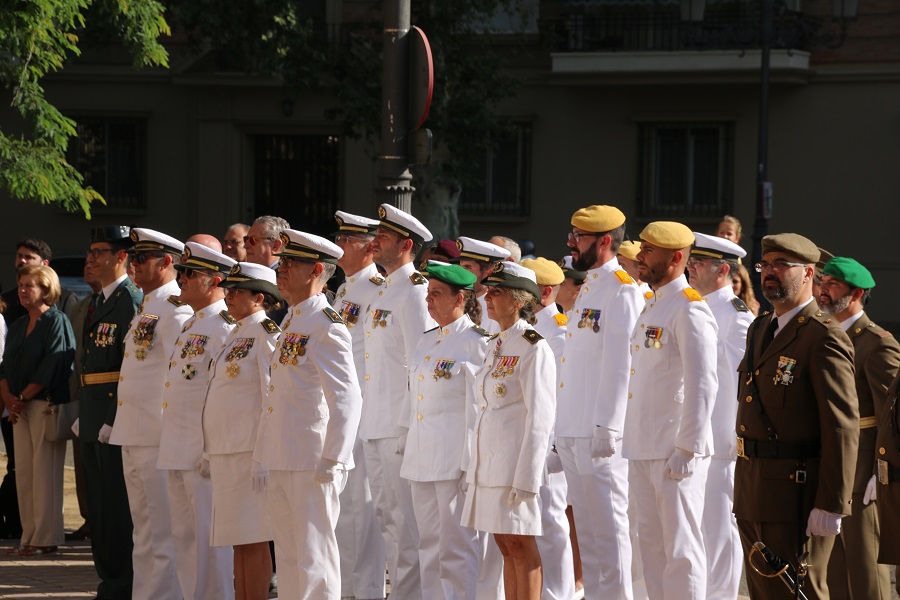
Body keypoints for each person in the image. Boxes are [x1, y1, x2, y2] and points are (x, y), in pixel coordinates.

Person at [734, 233, 858, 599]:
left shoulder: (822, 336)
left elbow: (841, 426)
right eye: (765, 264)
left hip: (796, 491)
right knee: (762, 591)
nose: (769, 273)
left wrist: (832, 503)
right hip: (753, 486)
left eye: (780, 265)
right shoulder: (760, 328)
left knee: (798, 591)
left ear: (808, 274)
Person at [252, 230, 363, 599]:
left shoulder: (325, 324)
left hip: (312, 458)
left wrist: (334, 458)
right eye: (281, 263)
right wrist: (263, 454)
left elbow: (346, 397)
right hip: (285, 454)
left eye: (289, 264)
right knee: (288, 556)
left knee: (314, 556)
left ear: (316, 270)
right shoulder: (293, 319)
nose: (280, 270)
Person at [623, 222, 718, 600]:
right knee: (651, 548)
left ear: (676, 258)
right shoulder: (655, 303)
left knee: (681, 551)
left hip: (674, 450)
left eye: (649, 251)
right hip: (644, 446)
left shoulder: (690, 309)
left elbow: (703, 383)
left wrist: (688, 447)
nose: (640, 257)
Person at [556, 205, 643, 600]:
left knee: (609, 532)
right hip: (575, 429)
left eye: (579, 237)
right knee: (587, 535)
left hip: (600, 433)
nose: (571, 243)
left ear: (605, 241)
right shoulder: (588, 285)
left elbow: (622, 362)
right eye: (572, 235)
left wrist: (609, 424)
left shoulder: (623, 289)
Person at [461, 261, 555, 600]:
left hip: (515, 467)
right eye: (489, 290)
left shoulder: (532, 346)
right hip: (491, 464)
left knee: (520, 543)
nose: (487, 297)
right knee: (503, 543)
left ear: (518, 300)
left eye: (497, 292)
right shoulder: (495, 344)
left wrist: (528, 478)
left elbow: (540, 417)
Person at [108, 228, 191, 600]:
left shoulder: (176, 309)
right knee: (143, 531)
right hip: (135, 433)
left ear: (167, 262)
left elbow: (181, 378)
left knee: (163, 533)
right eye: (133, 257)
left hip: (158, 436)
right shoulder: (147, 305)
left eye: (142, 258)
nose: (133, 264)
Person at [812, 257, 899, 599]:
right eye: (823, 283)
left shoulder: (877, 342)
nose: (823, 290)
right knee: (832, 564)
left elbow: (890, 416)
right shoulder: (824, 335)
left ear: (857, 293)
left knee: (865, 565)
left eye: (833, 285)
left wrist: (879, 473)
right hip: (829, 459)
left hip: (863, 463)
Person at [401, 263, 488, 599]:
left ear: (460, 298)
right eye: (428, 293)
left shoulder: (477, 343)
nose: (428, 300)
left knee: (457, 548)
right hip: (422, 459)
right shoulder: (426, 342)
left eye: (436, 293)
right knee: (428, 546)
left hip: (455, 463)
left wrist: (472, 463)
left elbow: (481, 410)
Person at [360, 204, 435, 599]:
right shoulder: (385, 288)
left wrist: (409, 428)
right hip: (376, 424)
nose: (375, 242)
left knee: (407, 529)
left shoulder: (416, 292)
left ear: (406, 244)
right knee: (388, 522)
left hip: (399, 430)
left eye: (384, 238)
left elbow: (420, 366)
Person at [157, 242, 237, 600]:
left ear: (215, 280)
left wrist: (212, 448)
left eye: (192, 273)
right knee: (185, 542)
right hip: (178, 446)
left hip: (203, 453)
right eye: (183, 270)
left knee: (210, 544)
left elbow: (226, 397)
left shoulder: (224, 327)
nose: (182, 278)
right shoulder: (192, 323)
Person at [203, 262, 281, 600]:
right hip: (226, 451)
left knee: (254, 537)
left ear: (259, 298)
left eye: (238, 291)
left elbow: (270, 399)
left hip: (249, 453)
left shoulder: (266, 335)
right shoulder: (236, 333)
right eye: (228, 289)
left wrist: (263, 458)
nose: (229, 296)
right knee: (237, 539)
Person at [686, 233, 754, 600]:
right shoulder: (693, 305)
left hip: (720, 439)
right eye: (691, 261)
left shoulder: (736, 316)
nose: (690, 267)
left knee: (718, 530)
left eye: (699, 263)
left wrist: (730, 440)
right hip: (691, 435)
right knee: (693, 528)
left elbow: (741, 382)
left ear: (723, 270)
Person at [78, 225, 142, 600]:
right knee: (98, 508)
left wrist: (112, 417)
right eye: (90, 251)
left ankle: (122, 582)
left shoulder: (130, 299)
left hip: (112, 416)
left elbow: (131, 367)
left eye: (100, 251)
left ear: (121, 257)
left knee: (117, 507)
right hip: (92, 411)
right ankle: (109, 579)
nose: (91, 258)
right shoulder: (99, 300)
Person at [0, 239, 77, 539]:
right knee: (25, 475)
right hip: (18, 408)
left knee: (44, 474)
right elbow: (5, 364)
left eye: (30, 285)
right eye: (21, 285)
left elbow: (53, 365)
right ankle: (28, 535)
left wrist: (22, 397)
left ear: (46, 289)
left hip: (43, 405)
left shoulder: (56, 321)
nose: (22, 290)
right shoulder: (18, 324)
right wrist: (9, 397)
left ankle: (45, 537)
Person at [332, 210, 387, 600]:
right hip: (341, 411)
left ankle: (365, 591)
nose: (337, 246)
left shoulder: (377, 289)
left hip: (366, 411)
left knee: (362, 510)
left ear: (369, 248)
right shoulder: (344, 289)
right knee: (342, 508)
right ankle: (346, 588)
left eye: (345, 241)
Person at [518, 257, 575, 600]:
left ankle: (560, 593)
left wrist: (553, 450)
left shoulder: (560, 331)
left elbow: (561, 397)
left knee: (552, 522)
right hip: (524, 438)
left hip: (549, 444)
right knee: (529, 523)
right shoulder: (522, 326)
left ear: (546, 292)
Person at [63, 263, 99, 543]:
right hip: (81, 393)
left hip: (107, 398)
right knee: (82, 460)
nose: (89, 265)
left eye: (97, 257)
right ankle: (89, 518)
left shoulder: (128, 301)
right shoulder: (80, 306)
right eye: (87, 259)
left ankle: (104, 522)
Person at [457, 237, 512, 334]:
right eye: (461, 267)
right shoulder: (455, 300)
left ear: (489, 273)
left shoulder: (497, 309)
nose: (462, 274)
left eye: (468, 268)